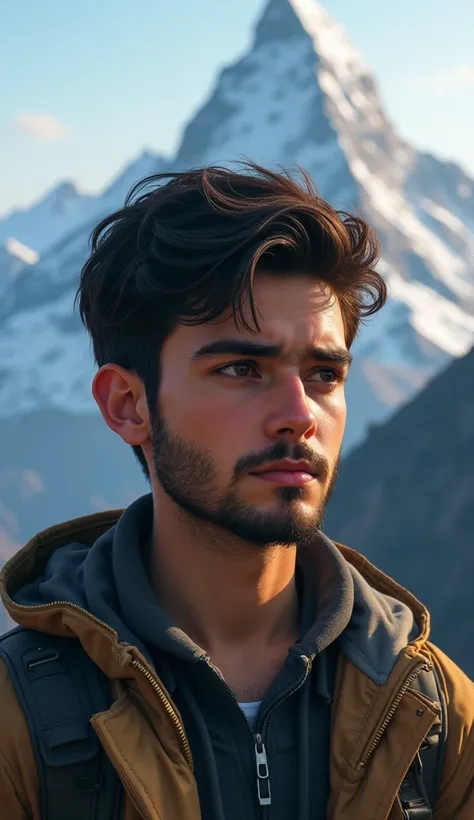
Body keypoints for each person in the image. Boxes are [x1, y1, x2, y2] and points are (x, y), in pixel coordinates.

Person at [0, 163, 472, 820]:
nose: (298, 413)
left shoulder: (435, 712)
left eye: (324, 374)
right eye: (242, 368)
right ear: (129, 405)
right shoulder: (16, 720)